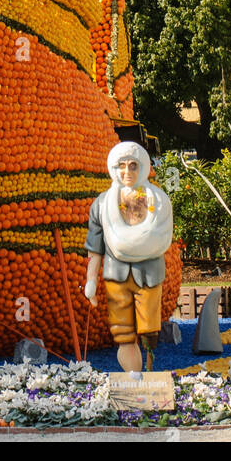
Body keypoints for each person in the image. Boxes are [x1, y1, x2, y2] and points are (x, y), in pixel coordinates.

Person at [84, 141, 174, 372]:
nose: (127, 172)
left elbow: (161, 235)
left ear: (142, 167)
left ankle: (150, 376)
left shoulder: (159, 201)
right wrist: (91, 280)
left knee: (149, 333)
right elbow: (96, 246)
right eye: (122, 166)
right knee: (124, 333)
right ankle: (133, 378)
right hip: (117, 274)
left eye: (133, 166)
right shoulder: (103, 204)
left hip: (150, 275)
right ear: (114, 168)